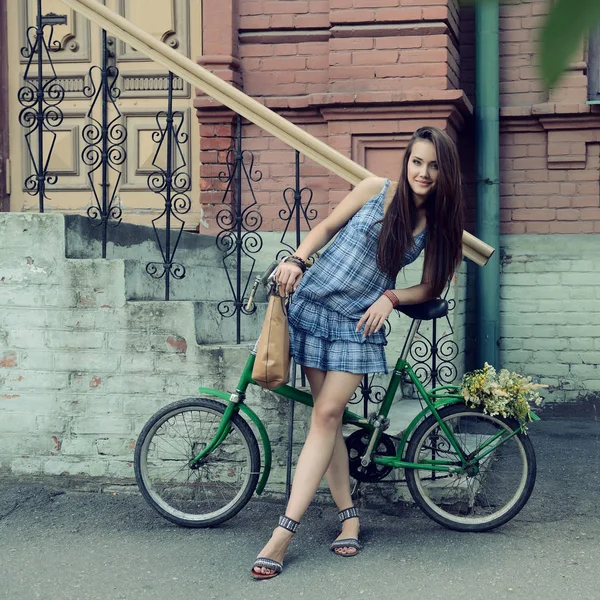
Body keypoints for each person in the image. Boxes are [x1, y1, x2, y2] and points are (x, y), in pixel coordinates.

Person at [251, 126, 464, 579]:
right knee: (324, 422)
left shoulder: (438, 225)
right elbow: (327, 226)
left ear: (446, 173)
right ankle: (349, 516)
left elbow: (430, 284)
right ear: (406, 161)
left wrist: (390, 298)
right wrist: (296, 260)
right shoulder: (375, 189)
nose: (423, 173)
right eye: (417, 162)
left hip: (356, 324)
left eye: (433, 166)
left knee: (327, 415)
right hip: (312, 305)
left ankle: (283, 532)